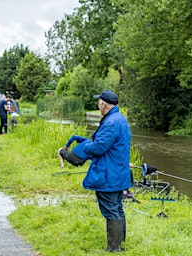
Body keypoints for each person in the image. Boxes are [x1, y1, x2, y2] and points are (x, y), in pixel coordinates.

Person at [82, 89, 131, 252]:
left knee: (111, 209)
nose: (98, 105)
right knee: (117, 207)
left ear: (103, 104)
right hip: (119, 172)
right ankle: (120, 244)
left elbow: (98, 147)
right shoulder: (121, 119)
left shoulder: (111, 122)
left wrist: (84, 146)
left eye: (99, 102)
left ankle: (113, 248)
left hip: (110, 174)